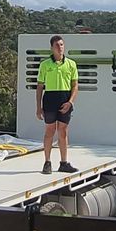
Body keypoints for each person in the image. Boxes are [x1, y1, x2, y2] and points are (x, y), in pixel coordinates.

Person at [35, 34, 78, 173]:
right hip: (50, 99)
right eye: (57, 45)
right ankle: (47, 162)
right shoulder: (45, 65)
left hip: (65, 98)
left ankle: (64, 162)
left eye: (61, 44)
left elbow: (75, 85)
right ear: (52, 48)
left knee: (63, 131)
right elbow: (40, 86)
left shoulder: (71, 64)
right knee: (49, 131)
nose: (60, 48)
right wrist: (38, 107)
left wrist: (70, 102)